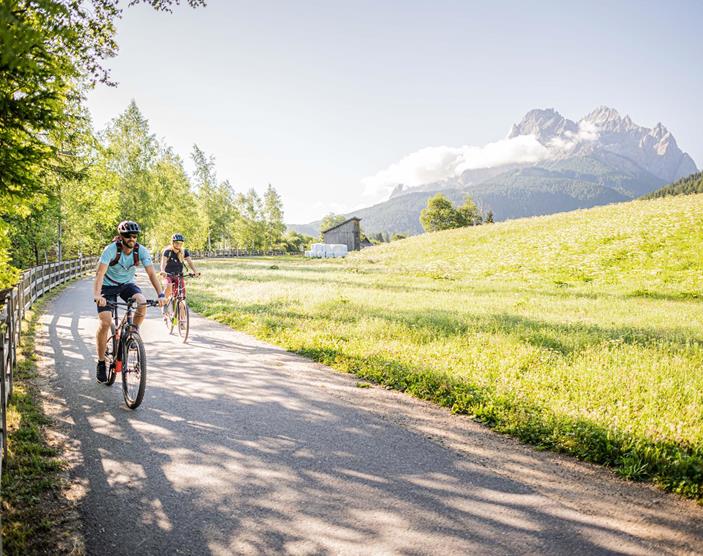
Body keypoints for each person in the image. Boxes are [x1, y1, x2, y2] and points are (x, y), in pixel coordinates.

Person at [93, 221, 165, 383]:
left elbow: (152, 274)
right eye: (128, 236)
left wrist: (160, 294)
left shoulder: (141, 251)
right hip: (107, 286)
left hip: (127, 285)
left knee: (142, 302)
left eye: (134, 236)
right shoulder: (110, 250)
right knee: (105, 322)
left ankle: (133, 332)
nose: (132, 238)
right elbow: (100, 274)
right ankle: (101, 362)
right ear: (121, 237)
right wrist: (98, 295)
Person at [160, 233, 200, 310]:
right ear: (172, 243)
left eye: (180, 243)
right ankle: (164, 305)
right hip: (168, 275)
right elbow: (163, 263)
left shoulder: (184, 251)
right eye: (176, 242)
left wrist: (195, 271)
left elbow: (190, 262)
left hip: (179, 276)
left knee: (182, 296)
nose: (179, 244)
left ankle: (182, 320)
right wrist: (162, 271)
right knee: (168, 286)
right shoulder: (167, 251)